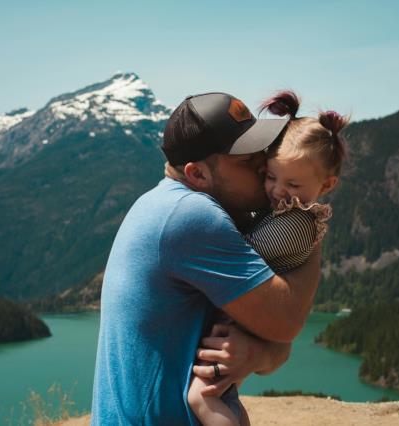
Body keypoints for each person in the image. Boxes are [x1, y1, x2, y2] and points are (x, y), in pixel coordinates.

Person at [91, 92, 323, 425]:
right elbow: (286, 320)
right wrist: (309, 220)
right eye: (246, 159)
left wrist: (258, 353)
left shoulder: (163, 203)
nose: (263, 164)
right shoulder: (192, 216)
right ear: (197, 174)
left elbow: (275, 341)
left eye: (261, 150)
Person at [187, 91, 348, 425]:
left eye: (292, 183)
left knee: (202, 395)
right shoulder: (289, 211)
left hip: (244, 322)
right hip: (248, 319)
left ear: (327, 184)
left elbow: (246, 250)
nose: (276, 190)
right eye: (270, 176)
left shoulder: (297, 222)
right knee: (224, 395)